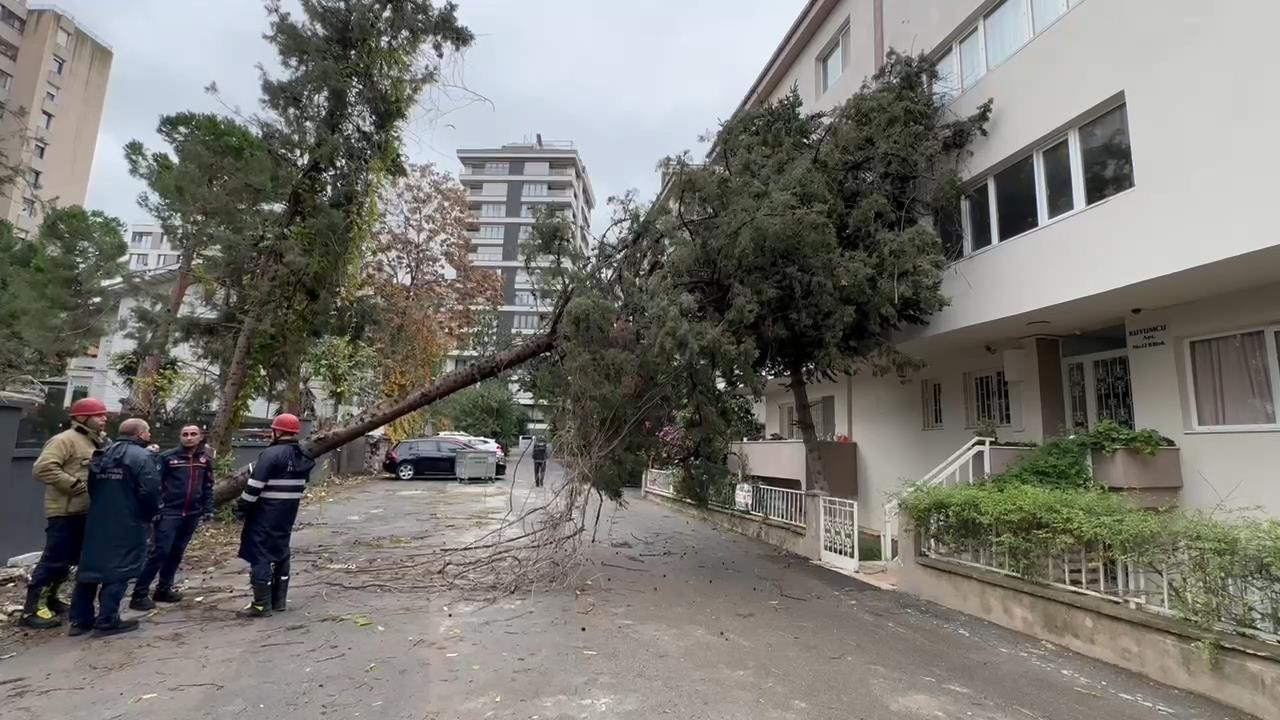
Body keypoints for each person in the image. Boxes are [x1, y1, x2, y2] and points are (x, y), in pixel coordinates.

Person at [20, 398, 109, 629]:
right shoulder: (64, 440)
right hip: (65, 511)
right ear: (81, 418)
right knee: (53, 561)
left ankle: (51, 599)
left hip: (83, 510)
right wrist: (73, 485)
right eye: (98, 414)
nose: (104, 418)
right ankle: (32, 610)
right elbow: (43, 468)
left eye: (103, 414)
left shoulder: (93, 441)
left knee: (67, 562)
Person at [69, 418, 162, 636]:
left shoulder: (102, 453)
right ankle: (107, 620)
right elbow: (149, 491)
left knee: (90, 568)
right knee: (120, 569)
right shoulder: (143, 456)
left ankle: (80, 621)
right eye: (147, 431)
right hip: (128, 520)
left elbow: (92, 486)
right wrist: (150, 515)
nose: (149, 435)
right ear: (140, 434)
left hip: (98, 518)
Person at [235, 413, 314, 617]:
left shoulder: (271, 455)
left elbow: (254, 487)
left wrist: (241, 508)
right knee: (281, 554)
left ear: (277, 431)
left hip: (264, 514)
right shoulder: (302, 455)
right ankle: (279, 601)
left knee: (259, 556)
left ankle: (261, 605)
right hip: (287, 514)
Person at [130, 425, 214, 611]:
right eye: (185, 434)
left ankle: (164, 589)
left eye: (193, 434)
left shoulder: (204, 460)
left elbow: (207, 485)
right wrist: (157, 508)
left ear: (200, 437)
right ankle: (140, 594)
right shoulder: (168, 458)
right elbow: (155, 484)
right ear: (180, 437)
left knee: (177, 552)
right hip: (169, 513)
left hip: (192, 513)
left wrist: (208, 509)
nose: (189, 438)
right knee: (160, 552)